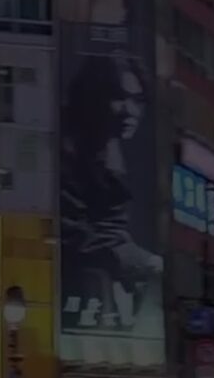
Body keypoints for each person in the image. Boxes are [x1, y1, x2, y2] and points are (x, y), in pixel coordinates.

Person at [60, 53, 163, 334]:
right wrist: (144, 262)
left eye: (138, 101)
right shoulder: (63, 149)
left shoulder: (108, 148)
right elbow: (75, 234)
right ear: (92, 97)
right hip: (65, 292)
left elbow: (110, 230)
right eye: (119, 97)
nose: (131, 111)